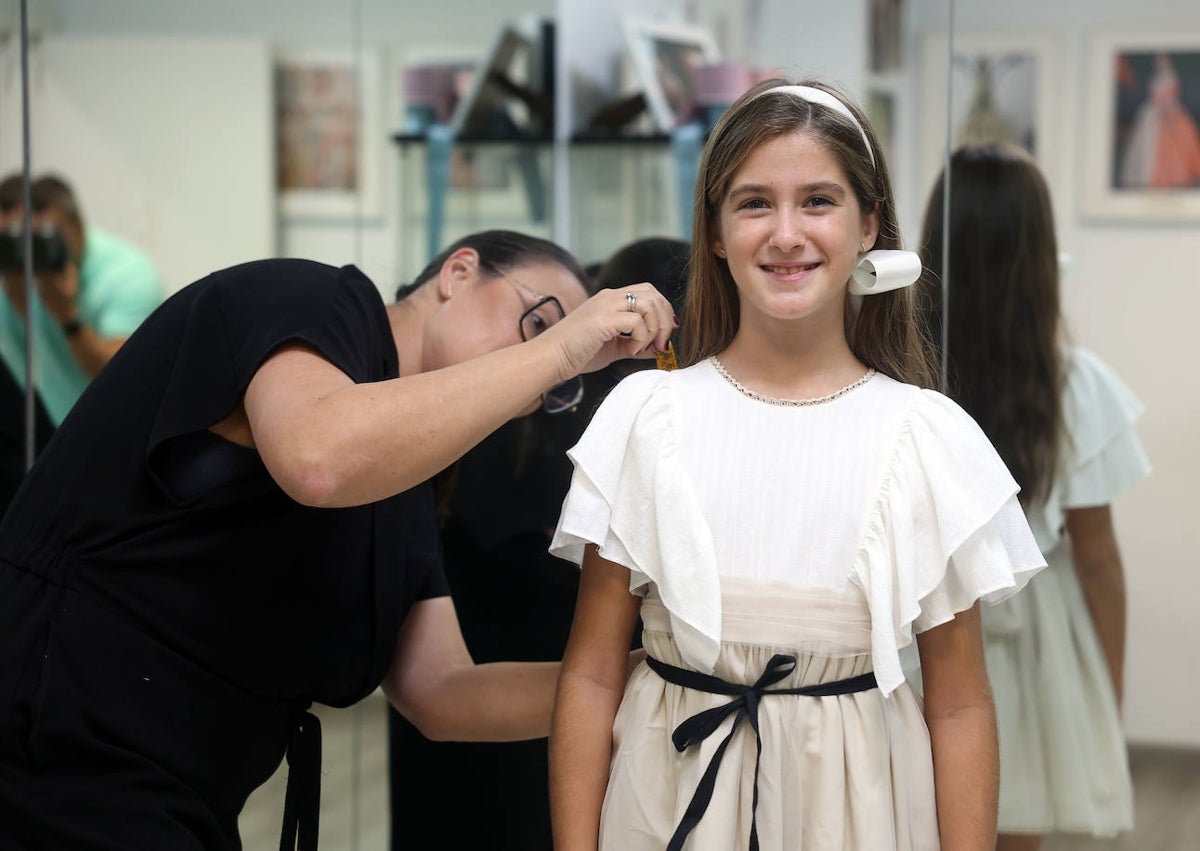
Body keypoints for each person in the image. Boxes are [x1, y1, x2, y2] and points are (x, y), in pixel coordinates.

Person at [0, 229, 675, 850]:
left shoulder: (404, 487)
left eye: (557, 381)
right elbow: (317, 455)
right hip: (61, 737)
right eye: (537, 322)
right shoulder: (309, 299)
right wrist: (557, 349)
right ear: (458, 272)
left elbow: (444, 692)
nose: (543, 375)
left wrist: (650, 676)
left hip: (183, 789)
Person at [546, 78, 1047, 851]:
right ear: (714, 231)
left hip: (860, 815)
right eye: (753, 203)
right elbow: (589, 674)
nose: (786, 234)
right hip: (667, 806)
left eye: (818, 200)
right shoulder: (648, 419)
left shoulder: (924, 436)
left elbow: (958, 704)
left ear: (869, 224)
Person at [386, 234, 689, 851]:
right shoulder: (609, 427)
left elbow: (440, 696)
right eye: (541, 324)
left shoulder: (511, 413)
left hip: (486, 700)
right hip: (507, 704)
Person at [916, 142, 1151, 850]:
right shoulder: (1076, 384)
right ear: (1040, 251)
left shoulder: (900, 376)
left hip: (919, 621)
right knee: (1013, 824)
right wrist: (1106, 688)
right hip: (1036, 637)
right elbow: (1098, 558)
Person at [0, 172, 162, 426]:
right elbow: (26, 372)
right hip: (59, 428)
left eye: (48, 236)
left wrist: (67, 316)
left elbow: (121, 375)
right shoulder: (19, 278)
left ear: (79, 224)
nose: (39, 251)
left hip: (122, 430)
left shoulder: (128, 274)